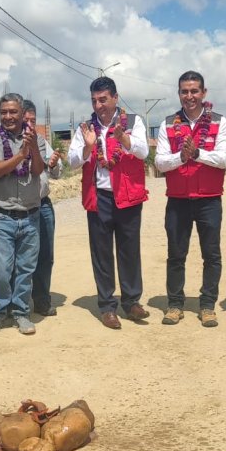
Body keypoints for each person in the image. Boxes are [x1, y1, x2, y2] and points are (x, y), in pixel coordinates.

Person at [69, 77, 149, 330]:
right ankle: (107, 306)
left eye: (103, 99)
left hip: (127, 195)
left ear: (115, 98)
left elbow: (144, 152)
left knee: (129, 250)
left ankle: (132, 301)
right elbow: (72, 161)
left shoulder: (133, 123)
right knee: (102, 253)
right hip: (99, 196)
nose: (99, 105)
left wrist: (124, 141)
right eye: (94, 100)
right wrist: (87, 147)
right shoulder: (85, 128)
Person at [155, 71, 226, 328]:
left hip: (209, 199)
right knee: (176, 254)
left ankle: (208, 305)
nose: (189, 96)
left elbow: (224, 159)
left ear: (204, 93)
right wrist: (182, 157)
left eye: (194, 91)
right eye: (184, 91)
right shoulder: (167, 123)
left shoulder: (219, 122)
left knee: (211, 255)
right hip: (177, 199)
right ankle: (175, 304)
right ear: (179, 94)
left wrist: (196, 153)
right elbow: (160, 162)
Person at [0, 93, 45, 334]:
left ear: (21, 113)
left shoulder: (34, 138)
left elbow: (37, 170)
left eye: (13, 112)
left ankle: (20, 312)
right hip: (1, 216)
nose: (8, 117)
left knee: (26, 269)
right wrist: (21, 154)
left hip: (30, 215)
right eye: (4, 112)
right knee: (1, 270)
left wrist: (33, 149)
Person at [23, 100, 62, 316]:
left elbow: (57, 173)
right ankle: (15, 302)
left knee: (45, 255)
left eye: (32, 120)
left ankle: (42, 300)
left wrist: (54, 163)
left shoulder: (41, 141)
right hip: (21, 207)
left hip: (43, 205)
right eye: (25, 120)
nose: (29, 124)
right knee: (21, 257)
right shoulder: (8, 143)